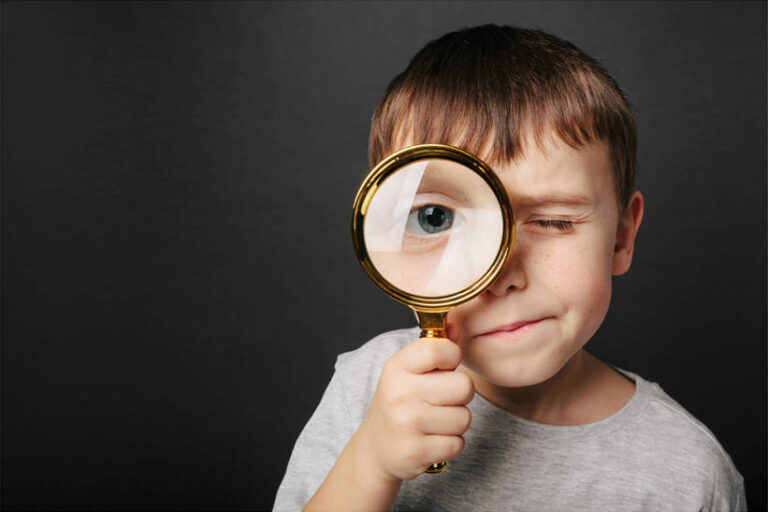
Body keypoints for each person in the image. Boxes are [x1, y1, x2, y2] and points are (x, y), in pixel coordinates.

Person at [273, 24, 746, 511]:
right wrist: (370, 463)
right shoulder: (370, 387)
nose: (500, 275)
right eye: (436, 218)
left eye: (553, 220)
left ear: (622, 237)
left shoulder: (688, 472)